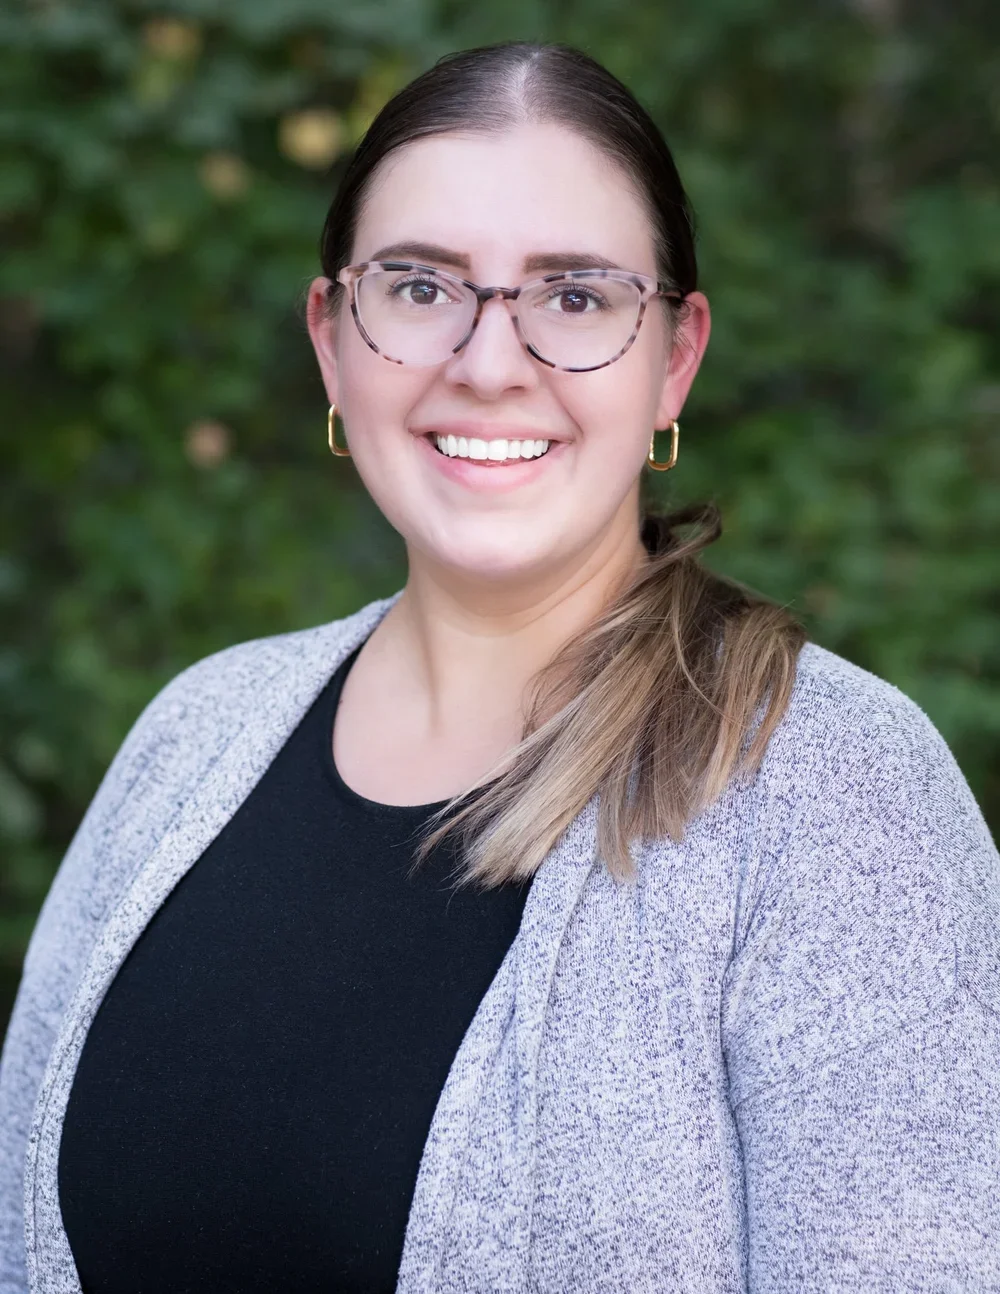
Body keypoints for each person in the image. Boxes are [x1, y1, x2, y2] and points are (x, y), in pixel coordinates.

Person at [1, 39, 997, 1294]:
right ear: (331, 336)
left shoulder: (833, 798)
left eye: (573, 296)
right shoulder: (195, 733)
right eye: (420, 287)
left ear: (673, 359)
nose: (486, 360)